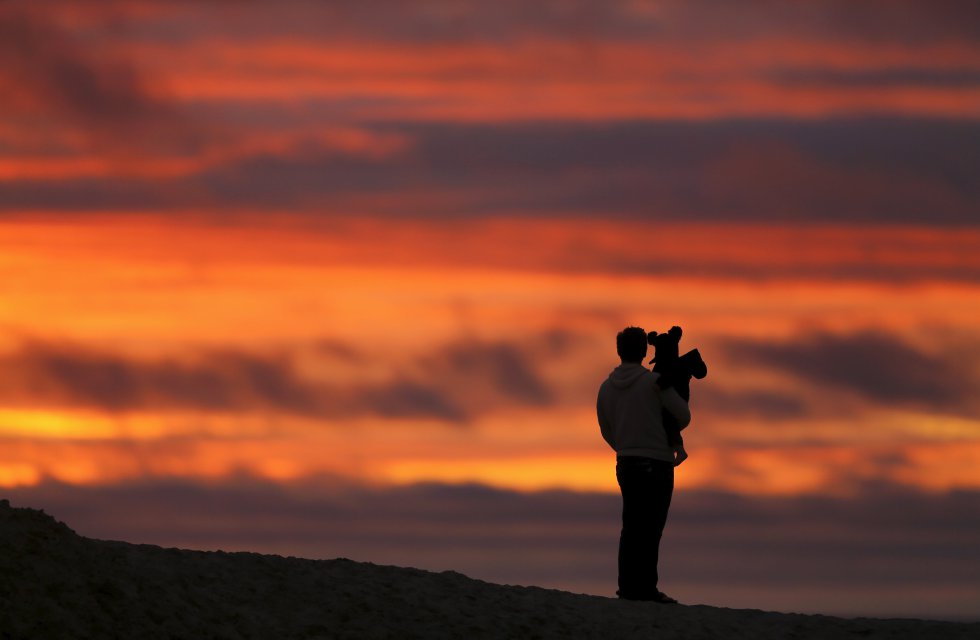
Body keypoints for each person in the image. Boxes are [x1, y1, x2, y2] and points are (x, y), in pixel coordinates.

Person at [597, 326, 691, 603]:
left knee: (631, 526)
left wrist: (625, 447)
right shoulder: (655, 382)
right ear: (644, 351)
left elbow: (606, 428)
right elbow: (682, 416)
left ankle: (627, 588)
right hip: (657, 462)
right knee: (651, 528)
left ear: (619, 351)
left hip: (626, 461)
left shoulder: (605, 387)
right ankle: (646, 588)